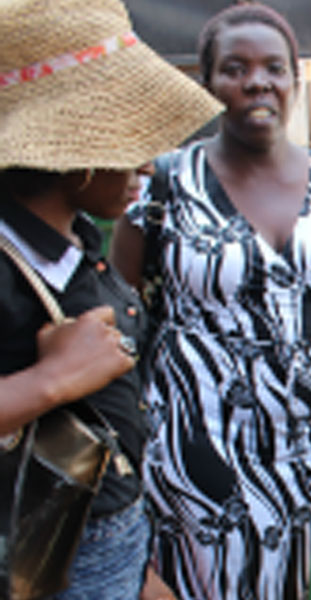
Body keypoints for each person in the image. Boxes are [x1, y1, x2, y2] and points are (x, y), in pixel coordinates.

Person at [109, 3, 311, 598]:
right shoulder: (164, 184)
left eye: (274, 68)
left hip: (305, 444)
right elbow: (119, 304)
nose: (257, 81)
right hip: (195, 447)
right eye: (235, 69)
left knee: (302, 580)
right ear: (206, 83)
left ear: (295, 80)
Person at [0, 0, 222, 598]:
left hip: (104, 538)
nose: (148, 164)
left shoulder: (76, 238)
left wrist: (138, 571)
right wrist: (52, 379)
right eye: (130, 140)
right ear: (74, 152)